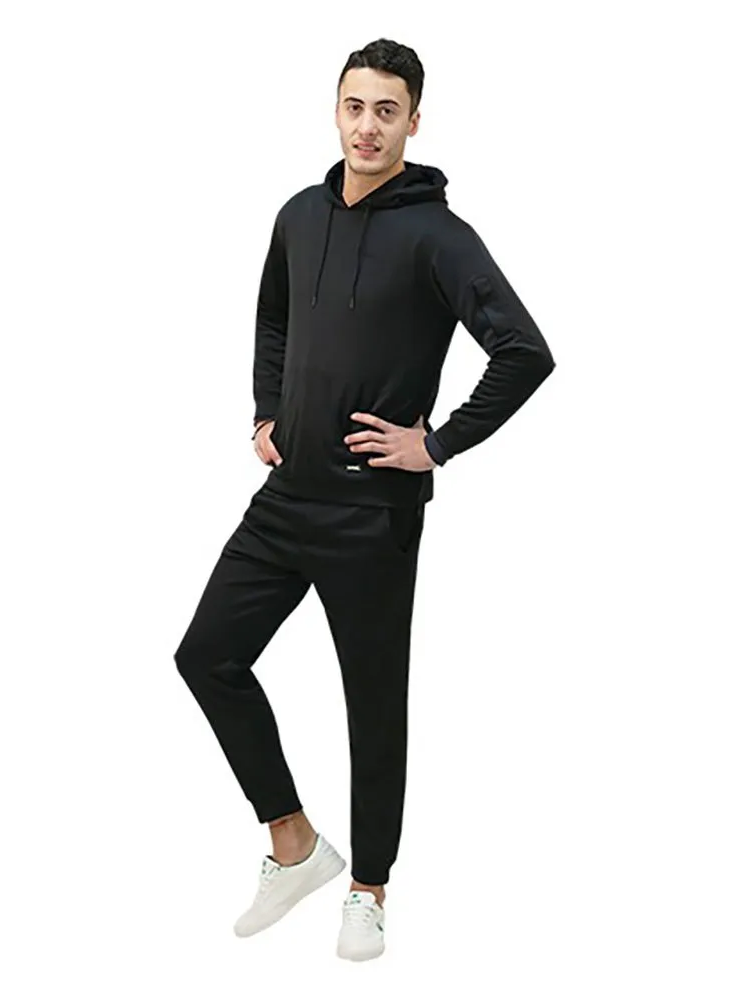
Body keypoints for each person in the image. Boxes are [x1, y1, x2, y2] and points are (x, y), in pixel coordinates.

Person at [174, 37, 555, 961]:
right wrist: (267, 411)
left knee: (372, 704)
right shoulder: (299, 216)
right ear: (335, 110)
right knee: (206, 656)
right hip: (285, 499)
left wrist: (437, 443)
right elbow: (273, 317)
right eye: (355, 107)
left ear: (414, 122)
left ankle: (369, 890)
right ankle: (293, 843)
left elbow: (525, 351)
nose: (368, 127)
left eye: (387, 111)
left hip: (372, 514)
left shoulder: (438, 236)